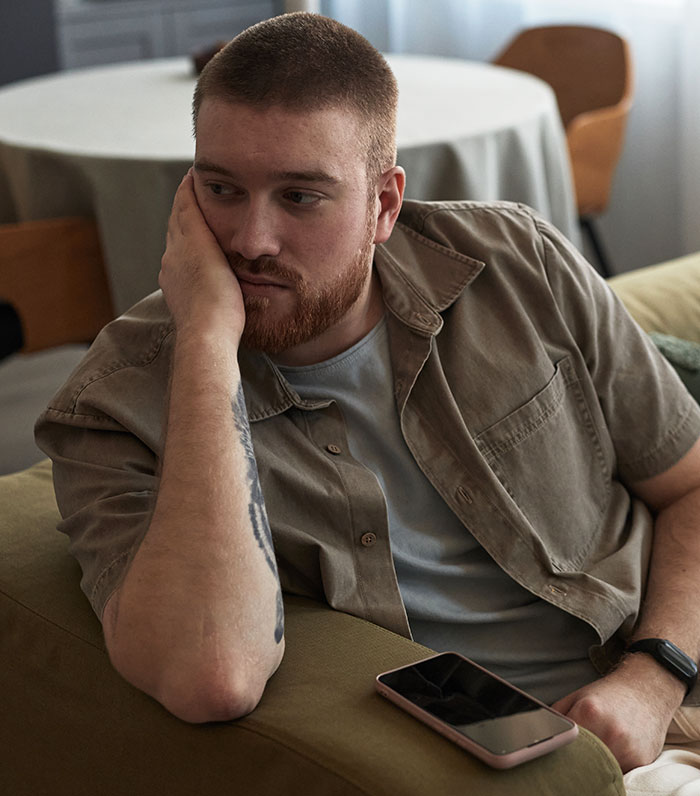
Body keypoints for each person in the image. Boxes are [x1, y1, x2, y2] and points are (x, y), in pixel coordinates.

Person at [35, 11, 700, 789]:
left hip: (666, 673)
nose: (252, 239)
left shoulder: (521, 263)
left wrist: (654, 676)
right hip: (534, 764)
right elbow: (210, 674)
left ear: (384, 205)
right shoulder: (112, 407)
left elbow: (688, 483)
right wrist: (208, 344)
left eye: (300, 197)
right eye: (221, 188)